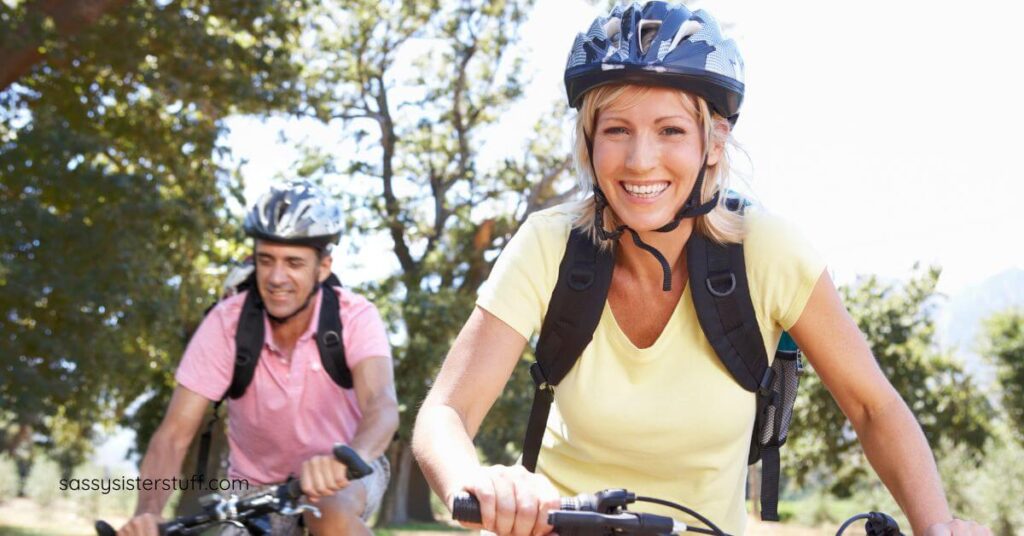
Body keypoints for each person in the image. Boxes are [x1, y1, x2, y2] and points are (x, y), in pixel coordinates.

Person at [411, 3, 991, 535]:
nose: (641, 160)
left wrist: (936, 525)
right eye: (617, 130)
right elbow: (445, 412)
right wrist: (479, 480)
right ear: (589, 141)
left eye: (670, 130)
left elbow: (873, 407)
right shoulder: (549, 245)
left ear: (714, 142)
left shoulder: (769, 252)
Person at [120, 181, 398, 535]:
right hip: (251, 488)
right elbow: (173, 434)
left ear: (323, 267)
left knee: (327, 512)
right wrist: (148, 512)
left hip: (349, 470)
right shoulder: (226, 324)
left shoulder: (354, 316)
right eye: (266, 260)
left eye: (294, 263)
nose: (277, 277)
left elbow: (382, 406)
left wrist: (347, 459)